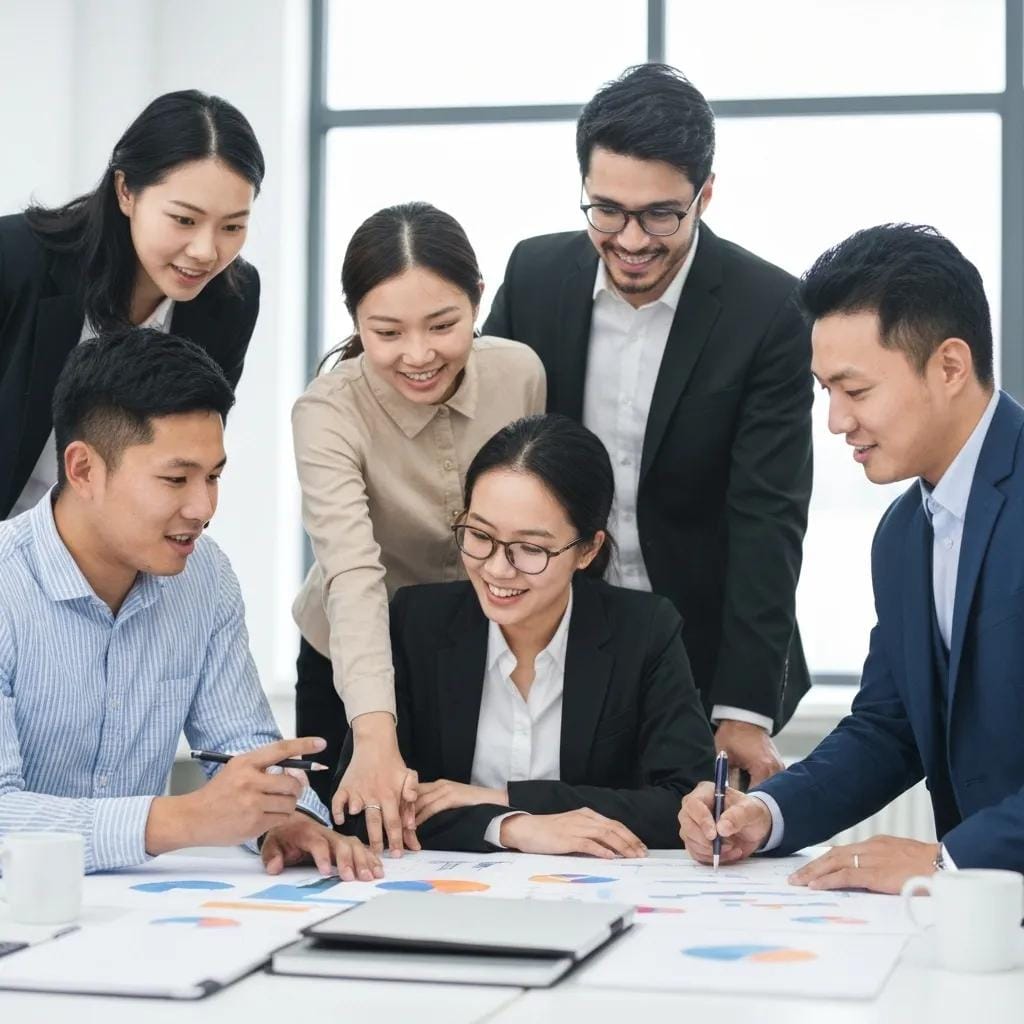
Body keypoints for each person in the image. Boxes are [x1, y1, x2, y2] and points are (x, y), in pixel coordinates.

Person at [483, 63, 813, 788]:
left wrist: (744, 708)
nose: (630, 239)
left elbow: (768, 516)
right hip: (556, 631)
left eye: (660, 215)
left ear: (705, 194)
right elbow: (488, 450)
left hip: (702, 653)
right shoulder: (535, 276)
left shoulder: (768, 309)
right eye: (606, 211)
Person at [679, 224, 1024, 893]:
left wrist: (950, 861)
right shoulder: (902, 534)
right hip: (977, 923)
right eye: (825, 392)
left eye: (856, 391)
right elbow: (890, 728)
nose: (836, 421)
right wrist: (765, 813)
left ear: (950, 367)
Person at [0, 327, 380, 880]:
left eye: (214, 476)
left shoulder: (203, 575)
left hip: (129, 912)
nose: (203, 507)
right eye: (176, 479)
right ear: (83, 470)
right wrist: (181, 820)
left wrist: (282, 819)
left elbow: (240, 744)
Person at [337, 414, 715, 853]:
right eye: (480, 535)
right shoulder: (416, 623)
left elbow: (688, 804)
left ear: (588, 550)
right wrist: (512, 827)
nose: (497, 569)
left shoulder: (644, 631)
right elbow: (363, 810)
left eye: (531, 548)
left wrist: (504, 799)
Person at [292, 203, 546, 851]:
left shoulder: (519, 373)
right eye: (387, 332)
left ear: (478, 299)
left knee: (478, 847)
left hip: (477, 657)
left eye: (443, 325)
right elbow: (353, 575)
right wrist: (375, 736)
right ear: (355, 319)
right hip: (353, 658)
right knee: (348, 847)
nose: (418, 354)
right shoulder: (327, 412)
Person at [1, 89, 263, 521]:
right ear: (126, 191)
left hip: (113, 547)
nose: (206, 251)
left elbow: (189, 456)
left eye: (232, 227)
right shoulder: (14, 262)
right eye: (184, 219)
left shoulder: (230, 299)